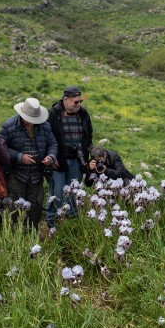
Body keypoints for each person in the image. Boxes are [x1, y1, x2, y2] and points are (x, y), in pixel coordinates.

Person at [0, 97, 58, 230]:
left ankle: (32, 234)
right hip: (16, 174)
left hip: (37, 174)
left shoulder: (45, 126)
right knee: (15, 206)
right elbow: (1, 147)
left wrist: (51, 156)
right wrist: (20, 157)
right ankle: (15, 234)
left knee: (35, 205)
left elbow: (53, 143)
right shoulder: (9, 125)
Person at [46, 85, 93, 226]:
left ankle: (72, 219)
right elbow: (47, 137)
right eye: (76, 102)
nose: (79, 104)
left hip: (77, 160)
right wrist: (51, 156)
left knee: (74, 191)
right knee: (57, 192)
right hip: (59, 159)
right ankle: (51, 219)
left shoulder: (83, 114)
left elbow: (88, 134)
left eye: (80, 101)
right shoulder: (53, 114)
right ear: (65, 100)